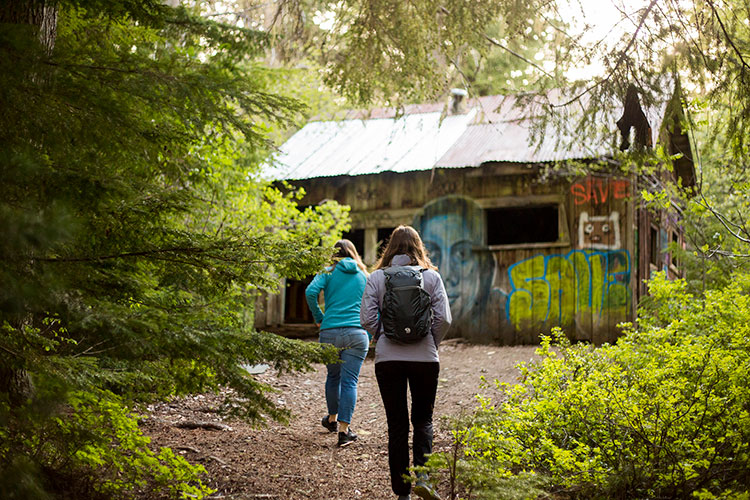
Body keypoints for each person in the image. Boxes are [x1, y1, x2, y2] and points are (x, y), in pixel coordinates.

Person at [360, 225, 451, 500]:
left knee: (397, 425)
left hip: (388, 360)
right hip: (425, 359)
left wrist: (383, 336)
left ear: (390, 249)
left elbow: (366, 318)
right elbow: (444, 319)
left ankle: (402, 493)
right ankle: (423, 478)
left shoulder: (377, 277)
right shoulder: (431, 277)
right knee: (423, 420)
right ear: (418, 247)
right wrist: (430, 342)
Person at [305, 239, 370, 447]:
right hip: (356, 333)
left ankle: (332, 419)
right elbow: (375, 303)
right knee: (349, 381)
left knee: (333, 376)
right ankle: (343, 431)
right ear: (354, 253)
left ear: (333, 254)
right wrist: (368, 330)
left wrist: (319, 316)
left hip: (330, 332)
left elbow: (310, 292)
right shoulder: (364, 275)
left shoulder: (328, 271)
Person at [413, 195, 505, 341]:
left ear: (485, 267)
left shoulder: (506, 309)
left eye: (462, 254)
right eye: (431, 254)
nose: (447, 275)